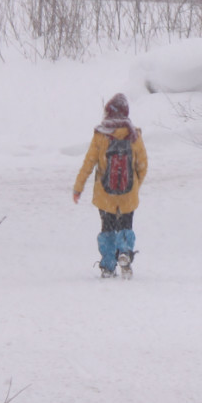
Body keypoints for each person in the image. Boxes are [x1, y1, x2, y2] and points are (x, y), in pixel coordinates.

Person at [73, 93, 149, 279]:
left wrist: (78, 187)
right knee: (125, 226)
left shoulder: (101, 135)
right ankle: (124, 252)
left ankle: (108, 265)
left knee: (107, 228)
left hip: (104, 193)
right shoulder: (134, 135)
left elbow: (89, 163)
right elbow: (142, 164)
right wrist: (134, 186)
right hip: (128, 194)